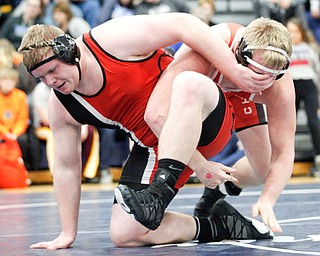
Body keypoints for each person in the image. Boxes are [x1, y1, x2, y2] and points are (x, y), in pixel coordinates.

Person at [19, 13, 276, 249]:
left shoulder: (109, 41)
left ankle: (211, 186)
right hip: (156, 147)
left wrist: (234, 71)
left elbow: (185, 24)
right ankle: (219, 225)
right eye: (41, 78)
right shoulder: (61, 106)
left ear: (70, 52)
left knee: (189, 84)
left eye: (53, 70)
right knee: (124, 233)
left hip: (201, 116)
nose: (51, 81)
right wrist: (67, 233)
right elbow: (66, 167)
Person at [117, 16, 294, 237]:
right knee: (189, 83)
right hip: (202, 98)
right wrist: (201, 165)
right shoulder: (212, 44)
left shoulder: (279, 83)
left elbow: (284, 151)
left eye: (271, 76)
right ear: (239, 53)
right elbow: (156, 114)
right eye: (257, 73)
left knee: (263, 169)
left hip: (243, 102)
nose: (262, 82)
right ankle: (160, 192)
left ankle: (223, 187)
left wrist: (268, 198)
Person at [286, 17, 320, 176]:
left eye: (296, 31)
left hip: (309, 85)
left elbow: (317, 70)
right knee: (288, 125)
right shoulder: (285, 49)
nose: (293, 35)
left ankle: (318, 158)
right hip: (291, 86)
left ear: (301, 32)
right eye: (290, 32)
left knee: (314, 122)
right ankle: (285, 160)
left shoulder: (310, 47)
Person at [0, 67, 30, 169]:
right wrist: (5, 133)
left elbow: (23, 118)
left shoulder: (20, 96)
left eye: (11, 80)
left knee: (23, 140)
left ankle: (22, 169)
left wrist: (15, 133)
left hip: (16, 132)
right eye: (5, 80)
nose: (8, 83)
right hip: (2, 131)